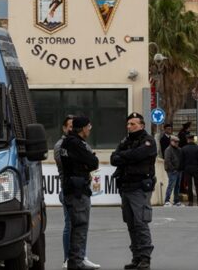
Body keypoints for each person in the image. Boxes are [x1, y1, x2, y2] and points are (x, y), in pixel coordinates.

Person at [111, 112, 158, 270]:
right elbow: (113, 158)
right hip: (126, 187)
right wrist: (127, 156)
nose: (129, 126)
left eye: (133, 124)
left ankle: (145, 258)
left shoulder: (148, 141)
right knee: (131, 224)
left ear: (142, 125)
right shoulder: (126, 140)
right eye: (128, 124)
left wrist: (124, 156)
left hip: (139, 187)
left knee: (140, 223)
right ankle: (136, 257)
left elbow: (138, 155)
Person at [55, 116, 100, 269]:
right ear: (82, 128)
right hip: (77, 190)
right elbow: (94, 163)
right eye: (88, 127)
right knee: (79, 227)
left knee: (75, 227)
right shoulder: (75, 143)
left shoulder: (67, 142)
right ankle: (76, 261)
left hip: (72, 188)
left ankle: (75, 260)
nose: (89, 130)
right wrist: (86, 164)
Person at [180, 134, 198, 206]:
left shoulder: (183, 148)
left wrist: (182, 169)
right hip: (196, 169)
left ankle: (190, 201)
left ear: (188, 140)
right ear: (193, 140)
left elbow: (182, 160)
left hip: (187, 170)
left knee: (189, 186)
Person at [163, 135, 183, 206]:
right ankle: (167, 200)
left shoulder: (179, 150)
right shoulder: (168, 150)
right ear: (171, 142)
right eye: (175, 142)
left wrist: (180, 168)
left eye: (178, 142)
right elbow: (167, 161)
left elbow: (181, 159)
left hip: (179, 170)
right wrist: (173, 169)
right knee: (171, 185)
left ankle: (176, 200)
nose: (177, 143)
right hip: (172, 171)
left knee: (177, 186)